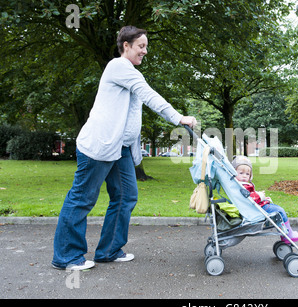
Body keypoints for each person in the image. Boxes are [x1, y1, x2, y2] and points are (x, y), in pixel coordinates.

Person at [52, 26, 197, 270]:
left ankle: (109, 250)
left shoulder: (129, 72)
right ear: (126, 46)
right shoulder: (119, 67)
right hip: (100, 146)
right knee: (82, 198)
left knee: (125, 196)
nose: (145, 51)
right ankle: (66, 256)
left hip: (119, 150)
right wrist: (178, 117)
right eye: (141, 46)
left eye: (146, 46)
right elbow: (149, 95)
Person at [231, 156, 298, 243]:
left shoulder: (241, 185)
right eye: (241, 173)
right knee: (279, 211)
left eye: (247, 174)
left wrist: (261, 196)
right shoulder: (241, 186)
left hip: (256, 206)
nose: (244, 176)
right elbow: (251, 198)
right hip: (256, 209)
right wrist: (260, 196)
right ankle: (288, 235)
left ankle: (286, 233)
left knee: (277, 209)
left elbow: (249, 195)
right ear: (234, 173)